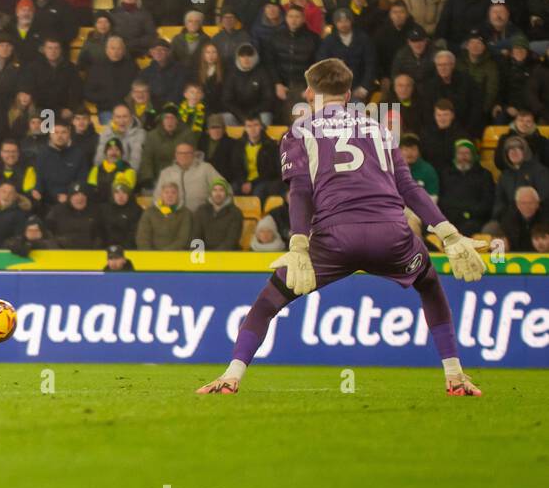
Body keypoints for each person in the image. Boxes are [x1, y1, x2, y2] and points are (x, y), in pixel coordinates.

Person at [197, 58, 487, 397]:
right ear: (348, 94)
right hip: (390, 235)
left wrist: (299, 244)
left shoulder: (299, 131)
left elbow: (301, 192)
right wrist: (447, 232)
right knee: (429, 285)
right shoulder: (379, 129)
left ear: (309, 92)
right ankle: (455, 378)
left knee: (268, 301)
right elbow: (410, 189)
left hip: (335, 239)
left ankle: (231, 378)